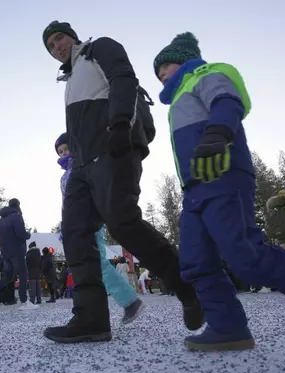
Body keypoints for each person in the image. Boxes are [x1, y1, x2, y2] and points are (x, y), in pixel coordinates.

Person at [153, 31, 285, 351]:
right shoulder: (177, 102)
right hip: (194, 188)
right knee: (195, 261)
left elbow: (227, 100)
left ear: (182, 61)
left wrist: (218, 132)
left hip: (223, 175)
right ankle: (228, 327)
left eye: (164, 70)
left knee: (244, 255)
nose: (161, 78)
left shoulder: (207, 73)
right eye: (158, 76)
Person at [41, 21, 202, 343]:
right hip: (82, 166)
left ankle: (188, 287)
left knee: (122, 222)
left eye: (59, 37)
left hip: (113, 148)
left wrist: (118, 126)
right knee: (75, 234)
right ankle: (91, 320)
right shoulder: (71, 77)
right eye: (50, 45)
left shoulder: (99, 48)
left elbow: (124, 79)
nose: (56, 46)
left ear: (72, 35)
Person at [55, 132, 144, 324]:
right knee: (87, 264)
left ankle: (129, 301)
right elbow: (66, 203)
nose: (63, 154)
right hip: (76, 222)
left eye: (66, 149)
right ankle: (89, 307)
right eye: (60, 152)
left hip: (88, 220)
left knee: (96, 263)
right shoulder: (66, 175)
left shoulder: (84, 167)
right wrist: (66, 226)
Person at [0, 198, 38, 311]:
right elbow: (20, 232)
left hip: (5, 253)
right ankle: (24, 301)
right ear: (18, 205)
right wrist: (28, 235)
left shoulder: (1, 219)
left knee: (8, 276)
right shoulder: (17, 216)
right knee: (23, 275)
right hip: (17, 251)